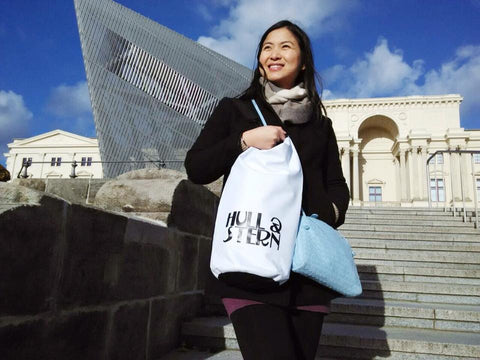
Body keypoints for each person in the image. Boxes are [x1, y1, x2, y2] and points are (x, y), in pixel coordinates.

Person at [185, 20, 350, 360]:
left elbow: (336, 184)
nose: (274, 54)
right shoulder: (236, 110)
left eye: (285, 46)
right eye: (267, 47)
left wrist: (331, 211)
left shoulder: (321, 125)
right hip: (251, 257)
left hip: (307, 271)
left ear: (303, 60)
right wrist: (244, 140)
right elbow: (196, 167)